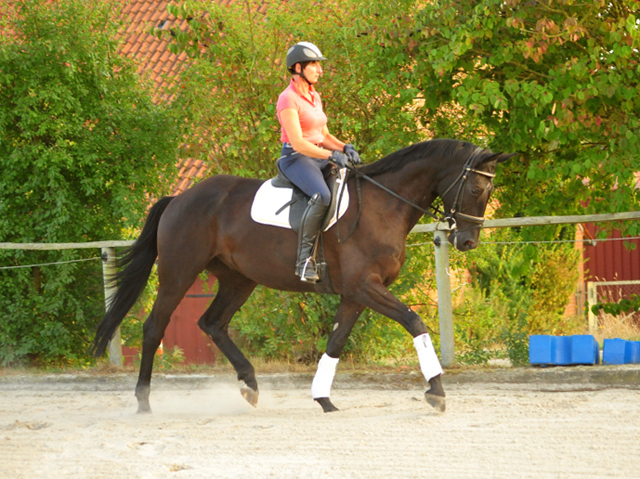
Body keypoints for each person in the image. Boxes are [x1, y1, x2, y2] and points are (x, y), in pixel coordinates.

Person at [276, 41, 362, 283]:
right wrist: (331, 156)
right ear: (297, 67)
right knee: (322, 196)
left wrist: (344, 147)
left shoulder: (314, 96)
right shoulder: (287, 99)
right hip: (296, 158)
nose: (319, 70)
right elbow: (299, 142)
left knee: (353, 181)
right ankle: (304, 261)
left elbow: (323, 136)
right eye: (314, 64)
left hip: (318, 157)